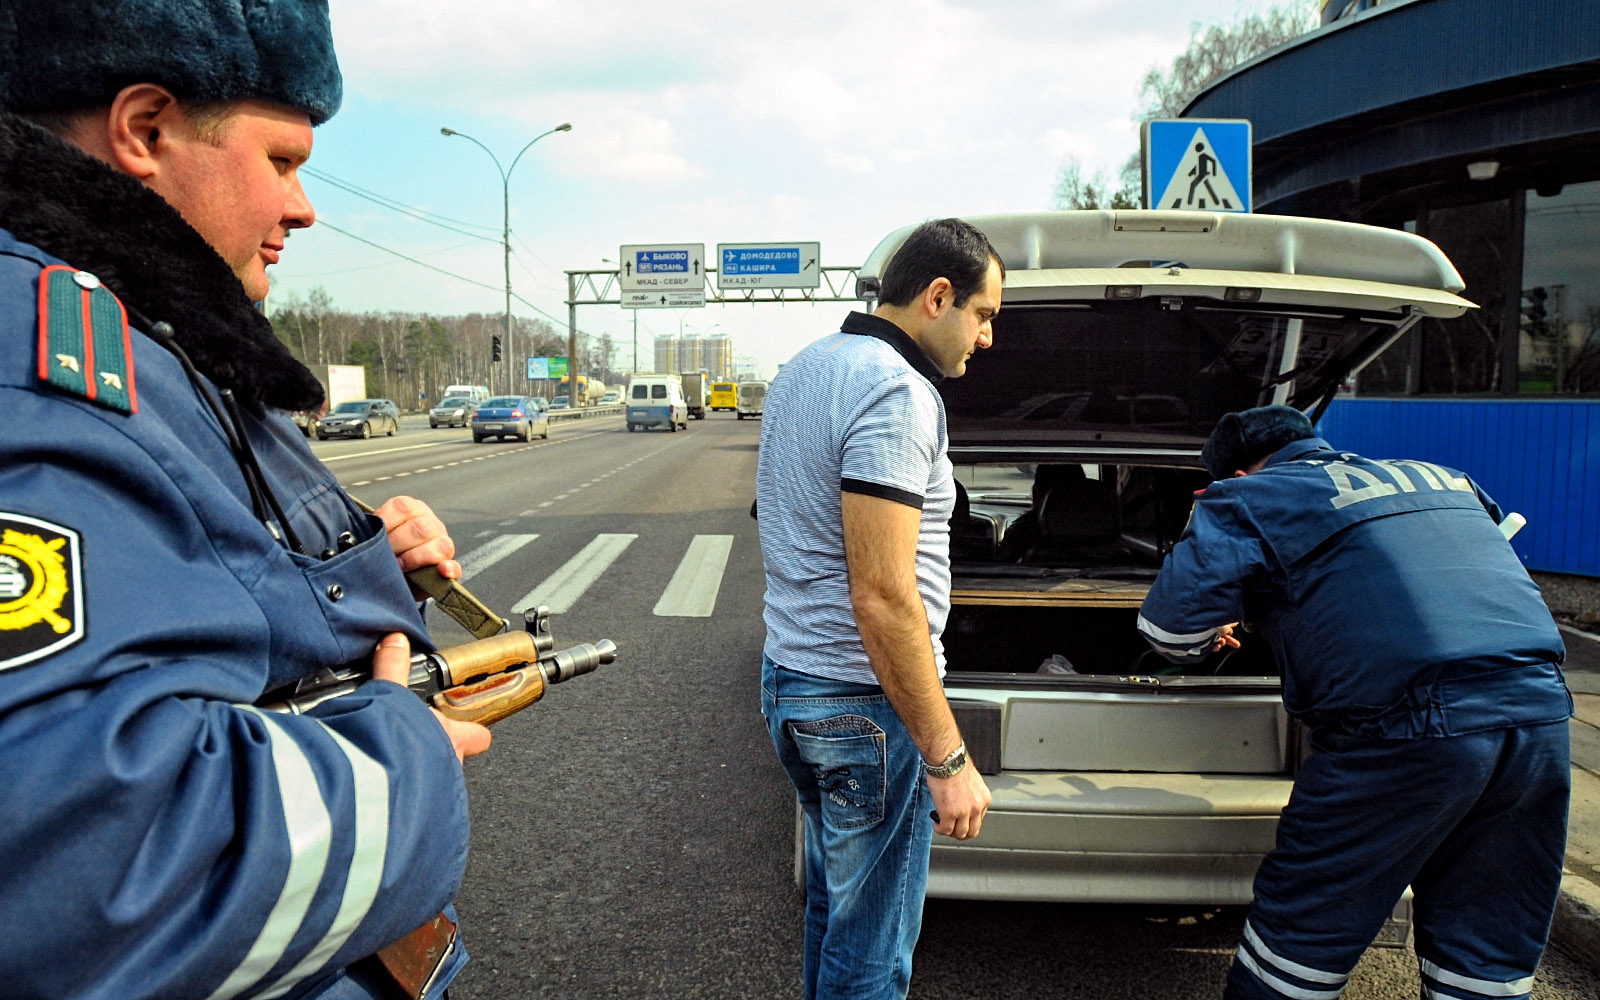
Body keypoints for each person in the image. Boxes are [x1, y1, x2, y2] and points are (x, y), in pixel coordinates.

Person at [0, 4, 490, 998]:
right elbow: (99, 868)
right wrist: (405, 752)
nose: (304, 207)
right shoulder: (46, 357)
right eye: (282, 160)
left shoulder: (154, 336)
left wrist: (370, 575)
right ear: (145, 130)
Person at [1137, 405, 1571, 1000]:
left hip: (1403, 727)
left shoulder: (1246, 499)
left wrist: (1227, 620)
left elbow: (1170, 635)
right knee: (1488, 943)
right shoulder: (1445, 477)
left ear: (1237, 475)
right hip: (1539, 714)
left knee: (1302, 935)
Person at [757, 218, 1002, 1000]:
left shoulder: (805, 368)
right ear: (939, 297)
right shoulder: (897, 391)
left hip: (792, 683)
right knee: (874, 954)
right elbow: (884, 593)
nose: (988, 338)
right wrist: (947, 757)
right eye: (985, 314)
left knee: (836, 910)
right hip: (866, 707)